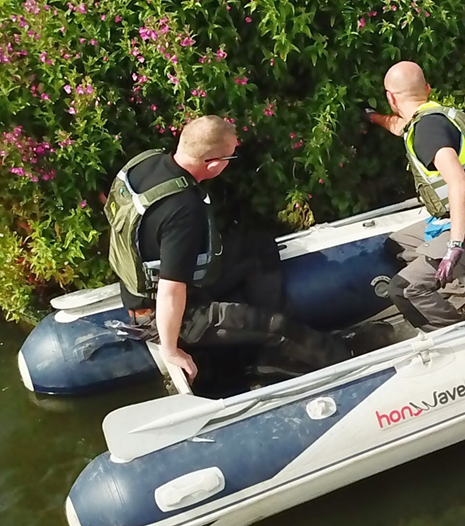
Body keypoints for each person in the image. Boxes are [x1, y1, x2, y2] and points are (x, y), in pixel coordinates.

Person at [106, 115, 351, 383]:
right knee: (279, 328)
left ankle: (263, 349)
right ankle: (347, 358)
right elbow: (171, 290)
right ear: (212, 163)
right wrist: (171, 350)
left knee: (258, 246)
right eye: (230, 157)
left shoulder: (145, 163)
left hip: (166, 283)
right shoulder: (184, 210)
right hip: (169, 312)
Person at [365, 62, 465, 329]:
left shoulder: (428, 132)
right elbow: (398, 126)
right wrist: (372, 117)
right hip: (463, 219)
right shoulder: (428, 118)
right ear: (427, 89)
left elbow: (460, 184)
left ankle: (457, 331)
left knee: (403, 288)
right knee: (396, 246)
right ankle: (457, 294)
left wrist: (454, 247)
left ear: (391, 98)